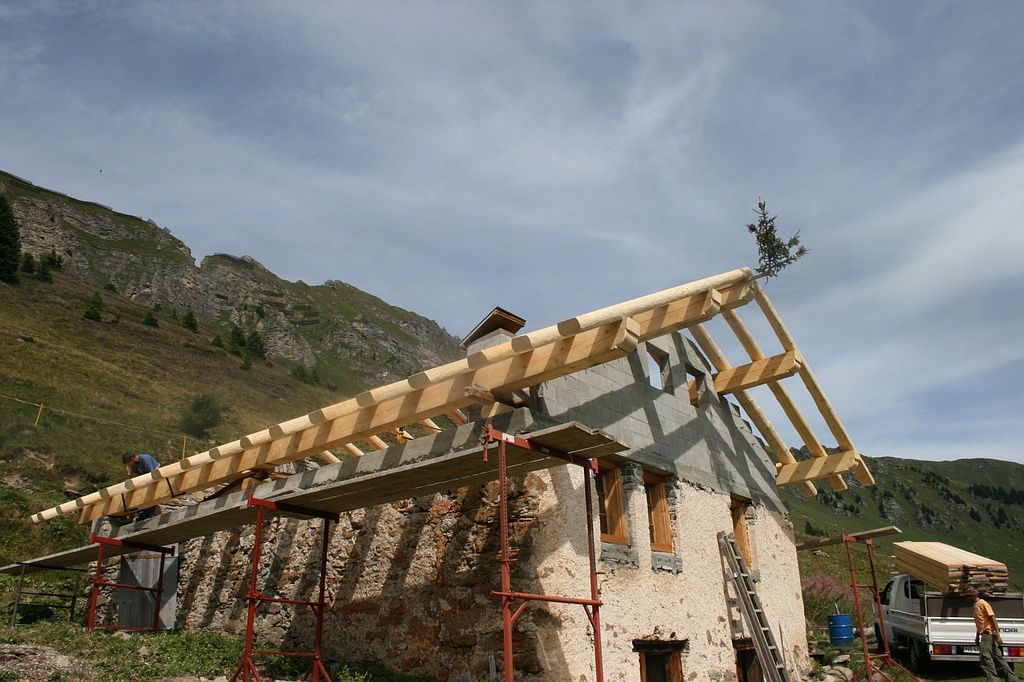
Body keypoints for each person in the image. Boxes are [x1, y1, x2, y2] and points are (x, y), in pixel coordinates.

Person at [968, 585, 1021, 682]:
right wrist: (977, 636)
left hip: (988, 635)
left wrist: (998, 635)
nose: (967, 598)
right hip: (984, 634)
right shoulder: (975, 606)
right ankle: (1012, 678)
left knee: (985, 659)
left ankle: (994, 679)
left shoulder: (983, 604)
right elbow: (980, 622)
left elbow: (993, 618)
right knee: (998, 658)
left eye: (968, 596)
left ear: (973, 595)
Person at [121, 452, 162, 521]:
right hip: (144, 479)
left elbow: (151, 473)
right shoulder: (134, 464)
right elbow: (135, 474)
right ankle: (142, 512)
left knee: (145, 494)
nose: (130, 465)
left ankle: (151, 510)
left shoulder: (145, 460)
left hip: (154, 476)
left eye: (129, 463)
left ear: (133, 458)